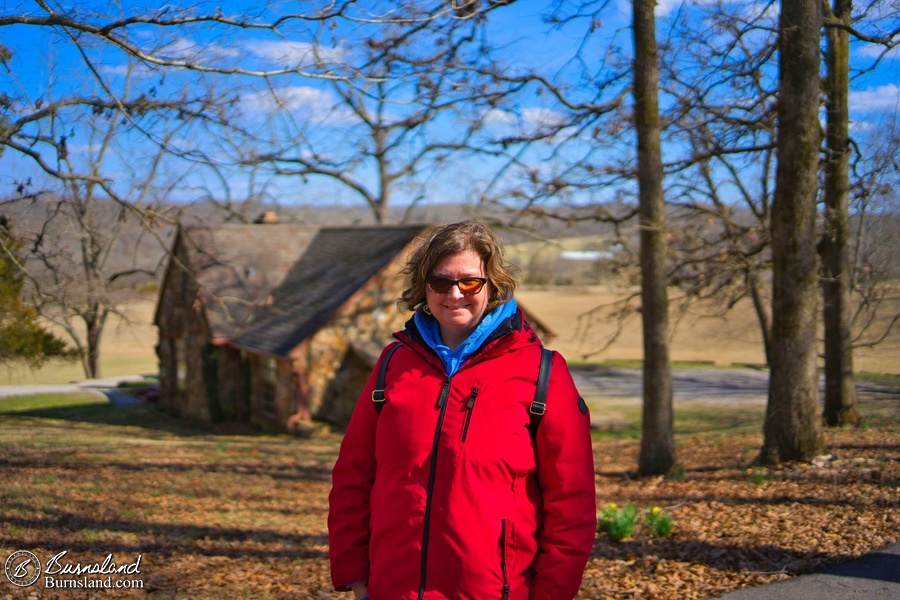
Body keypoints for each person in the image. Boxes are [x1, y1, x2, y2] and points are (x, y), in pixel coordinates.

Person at [328, 221, 596, 600]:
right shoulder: (393, 364)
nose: (455, 294)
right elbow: (353, 477)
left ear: (492, 285)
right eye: (440, 282)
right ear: (424, 287)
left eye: (470, 282)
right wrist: (356, 576)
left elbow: (573, 503)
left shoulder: (542, 373)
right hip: (393, 589)